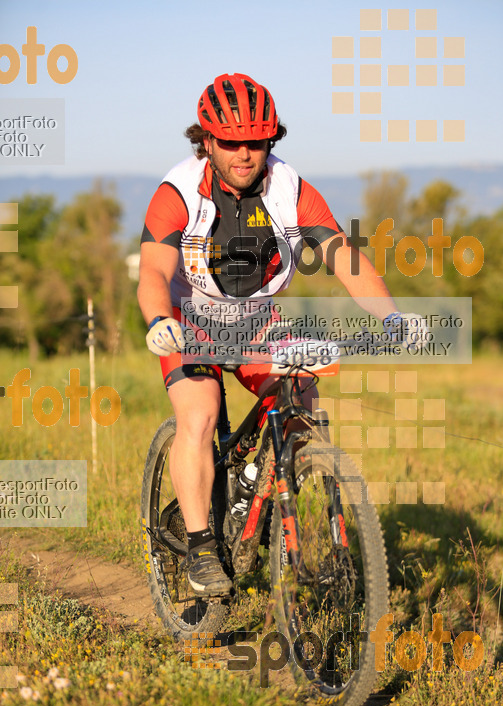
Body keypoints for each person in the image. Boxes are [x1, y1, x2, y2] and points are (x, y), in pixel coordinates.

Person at [138, 72, 425, 597]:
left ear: (272, 139)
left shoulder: (290, 189)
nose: (245, 153)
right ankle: (201, 546)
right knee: (199, 418)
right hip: (190, 319)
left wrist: (391, 316)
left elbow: (343, 256)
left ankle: (256, 485)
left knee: (305, 411)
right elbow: (153, 273)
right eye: (230, 142)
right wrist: (161, 321)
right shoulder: (177, 192)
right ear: (206, 140)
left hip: (255, 318)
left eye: (257, 141)